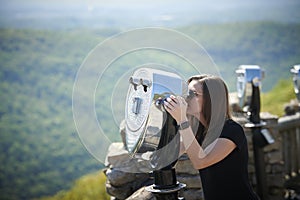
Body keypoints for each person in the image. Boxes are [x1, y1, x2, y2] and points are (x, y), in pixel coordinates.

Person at [163, 74, 259, 200]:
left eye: (193, 94)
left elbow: (201, 162)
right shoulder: (198, 132)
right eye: (186, 93)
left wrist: (182, 119)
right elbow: (170, 154)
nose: (187, 98)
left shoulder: (231, 130)